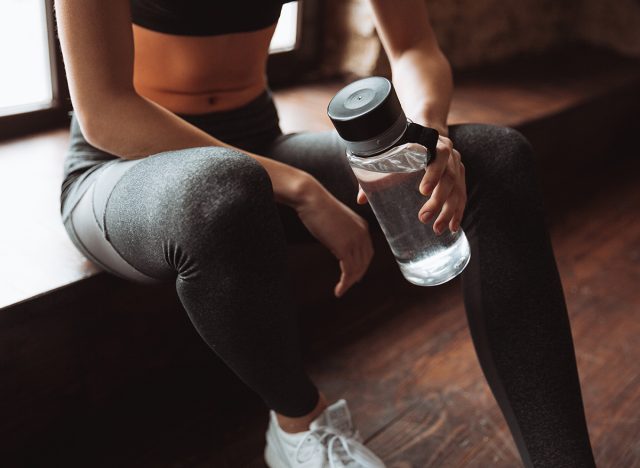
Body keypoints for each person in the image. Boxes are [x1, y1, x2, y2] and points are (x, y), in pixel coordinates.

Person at [55, 0, 597, 466]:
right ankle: (298, 424)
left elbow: (412, 48)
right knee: (224, 187)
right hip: (122, 169)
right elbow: (106, 110)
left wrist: (426, 137)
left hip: (257, 143)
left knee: (496, 158)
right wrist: (299, 187)